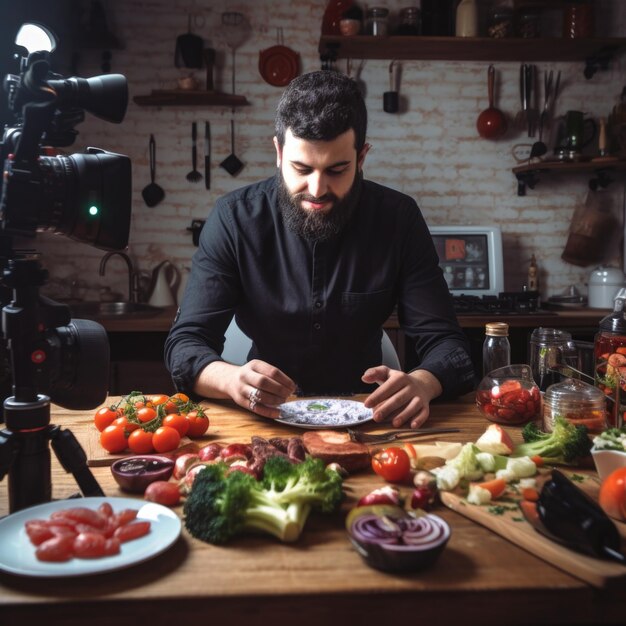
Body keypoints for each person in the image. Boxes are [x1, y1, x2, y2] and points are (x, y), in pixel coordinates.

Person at [165, 70, 474, 428]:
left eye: (337, 170)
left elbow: (449, 346)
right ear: (279, 152)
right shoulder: (234, 218)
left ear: (362, 157)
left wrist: (423, 383)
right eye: (301, 168)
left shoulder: (398, 219)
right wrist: (230, 379)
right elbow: (185, 345)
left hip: (369, 417)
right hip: (263, 418)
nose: (317, 188)